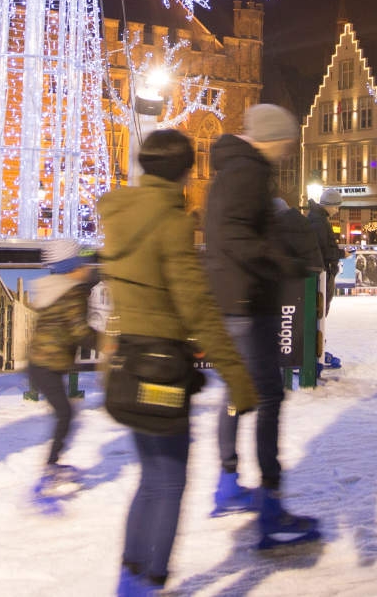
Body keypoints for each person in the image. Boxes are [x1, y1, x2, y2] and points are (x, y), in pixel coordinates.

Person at [101, 130, 258, 595]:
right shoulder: (171, 222)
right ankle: (149, 581)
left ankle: (129, 578)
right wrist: (238, 378)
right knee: (169, 482)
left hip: (130, 361)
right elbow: (197, 305)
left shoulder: (120, 213)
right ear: (186, 171)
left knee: (150, 479)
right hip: (162, 369)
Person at [202, 105, 318, 544]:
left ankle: (229, 482)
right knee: (269, 397)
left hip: (236, 300)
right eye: (286, 142)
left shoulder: (235, 170)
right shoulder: (247, 172)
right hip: (248, 302)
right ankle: (270, 506)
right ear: (271, 138)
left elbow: (232, 233)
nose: (288, 151)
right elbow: (235, 236)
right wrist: (280, 260)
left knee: (239, 393)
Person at [26, 238, 97, 511]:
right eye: (83, 263)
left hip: (42, 364)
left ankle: (53, 464)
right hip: (46, 365)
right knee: (65, 414)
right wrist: (109, 344)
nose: (88, 267)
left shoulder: (57, 289)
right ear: (73, 267)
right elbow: (80, 331)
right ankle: (48, 472)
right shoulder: (71, 293)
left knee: (66, 414)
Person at [303, 190, 345, 367]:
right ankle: (314, 353)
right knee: (319, 313)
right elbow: (323, 250)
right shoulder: (319, 222)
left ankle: (317, 350)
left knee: (319, 313)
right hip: (321, 274)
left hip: (323, 273)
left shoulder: (318, 219)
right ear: (329, 205)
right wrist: (342, 253)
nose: (337, 210)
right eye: (336, 206)